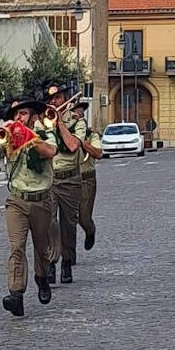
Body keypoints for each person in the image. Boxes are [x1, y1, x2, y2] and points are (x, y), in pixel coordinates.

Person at [0, 95, 58, 317]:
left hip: (41, 200)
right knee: (17, 246)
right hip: (17, 200)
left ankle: (41, 277)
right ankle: (16, 294)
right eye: (15, 114)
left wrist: (28, 137)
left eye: (22, 113)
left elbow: (50, 152)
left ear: (33, 116)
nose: (18, 118)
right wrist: (0, 133)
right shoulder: (9, 137)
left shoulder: (45, 134)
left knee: (42, 248)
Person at [42, 82, 85, 284]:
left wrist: (59, 123)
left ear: (65, 99)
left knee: (69, 224)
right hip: (50, 179)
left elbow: (73, 145)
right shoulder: (42, 122)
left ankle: (67, 262)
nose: (54, 102)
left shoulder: (77, 121)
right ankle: (51, 263)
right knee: (49, 223)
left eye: (58, 98)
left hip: (70, 180)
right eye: (50, 100)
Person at [74, 101, 102, 251]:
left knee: (84, 218)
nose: (77, 116)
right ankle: (68, 257)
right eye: (74, 113)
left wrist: (84, 143)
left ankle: (90, 230)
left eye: (79, 113)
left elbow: (99, 154)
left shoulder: (91, 135)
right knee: (68, 221)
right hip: (68, 179)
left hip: (86, 178)